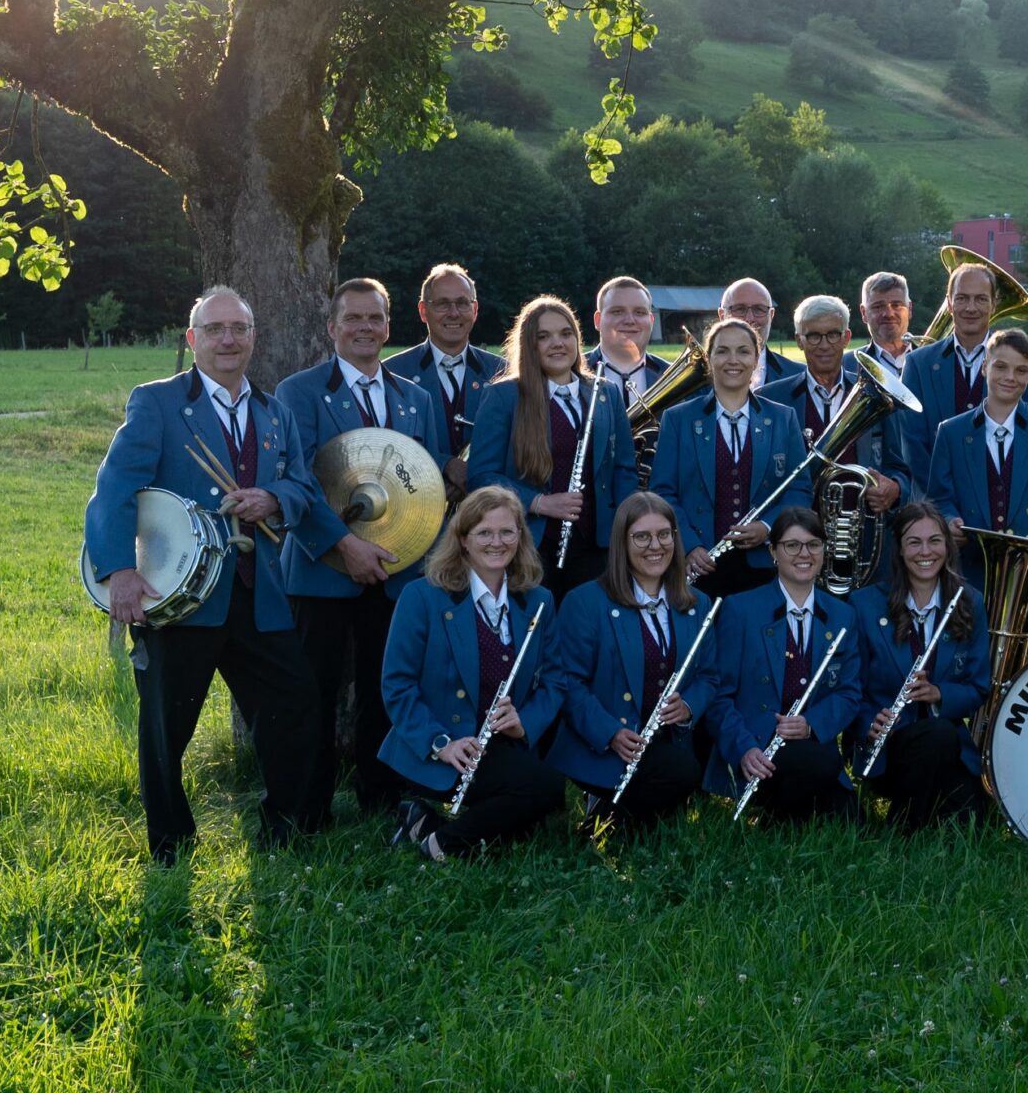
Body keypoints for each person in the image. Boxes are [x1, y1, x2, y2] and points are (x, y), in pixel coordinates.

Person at [83, 286, 320, 863]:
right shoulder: (157, 403)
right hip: (178, 595)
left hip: (258, 592)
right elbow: (114, 489)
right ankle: (170, 843)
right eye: (214, 329)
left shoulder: (273, 410)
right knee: (166, 728)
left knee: (295, 704)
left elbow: (303, 486)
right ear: (192, 340)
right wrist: (119, 572)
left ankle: (289, 826)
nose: (228, 340)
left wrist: (273, 497)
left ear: (253, 338)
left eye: (239, 328)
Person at [275, 277, 443, 828]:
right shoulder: (297, 393)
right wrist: (345, 546)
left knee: (385, 687)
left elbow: (429, 482)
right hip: (321, 569)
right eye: (353, 318)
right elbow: (298, 480)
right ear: (332, 327)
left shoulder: (416, 398)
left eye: (374, 318)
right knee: (313, 695)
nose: (364, 328)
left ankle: (382, 798)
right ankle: (306, 809)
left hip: (395, 571)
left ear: (389, 326)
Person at [381, 486, 565, 862]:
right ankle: (441, 846)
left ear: (520, 537)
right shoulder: (422, 596)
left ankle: (429, 828)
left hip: (503, 747)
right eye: (484, 533)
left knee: (538, 805)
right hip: (442, 752)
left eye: (507, 532)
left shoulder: (539, 600)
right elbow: (397, 685)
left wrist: (524, 722)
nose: (496, 542)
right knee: (543, 791)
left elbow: (555, 681)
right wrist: (442, 743)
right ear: (463, 539)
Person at [543, 491, 714, 830]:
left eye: (664, 535)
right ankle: (604, 816)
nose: (656, 546)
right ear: (622, 543)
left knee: (680, 776)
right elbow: (567, 682)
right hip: (605, 744)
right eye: (642, 537)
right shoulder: (585, 601)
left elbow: (710, 675)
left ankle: (605, 820)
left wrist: (689, 706)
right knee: (678, 777)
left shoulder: (697, 603)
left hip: (666, 742)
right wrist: (610, 733)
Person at [465, 295, 640, 594]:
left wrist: (626, 531)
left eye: (565, 333)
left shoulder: (606, 393)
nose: (557, 343)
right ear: (529, 345)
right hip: (530, 546)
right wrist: (539, 503)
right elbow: (481, 476)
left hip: (597, 547)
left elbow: (623, 469)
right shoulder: (504, 397)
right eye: (543, 336)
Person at [705, 506, 864, 824]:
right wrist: (744, 749)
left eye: (813, 544)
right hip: (757, 752)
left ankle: (777, 816)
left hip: (812, 746)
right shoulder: (739, 610)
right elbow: (718, 695)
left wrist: (810, 724)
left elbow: (849, 693)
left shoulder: (843, 615)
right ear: (773, 552)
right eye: (792, 545)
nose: (804, 554)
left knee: (852, 822)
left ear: (824, 550)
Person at [925, 327, 1028, 625]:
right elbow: (940, 497)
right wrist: (950, 519)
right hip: (972, 574)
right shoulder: (951, 432)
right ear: (984, 367)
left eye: (1021, 370)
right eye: (1000, 367)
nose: (1010, 377)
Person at [847, 502, 993, 831]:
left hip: (949, 746)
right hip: (889, 745)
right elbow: (850, 686)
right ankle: (902, 828)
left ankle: (913, 815)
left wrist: (939, 693)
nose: (925, 551)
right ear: (898, 549)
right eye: (914, 542)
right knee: (937, 736)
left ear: (948, 545)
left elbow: (979, 686)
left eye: (935, 541)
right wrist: (869, 721)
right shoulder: (865, 604)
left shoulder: (970, 602)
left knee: (968, 824)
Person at [648, 317, 814, 597]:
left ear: (756, 359)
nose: (732, 360)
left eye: (743, 351)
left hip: (764, 563)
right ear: (709, 359)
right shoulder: (677, 419)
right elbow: (663, 492)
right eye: (722, 351)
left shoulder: (783, 417)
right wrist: (689, 545)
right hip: (699, 565)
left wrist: (767, 527)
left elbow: (799, 489)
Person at [764, 294, 908, 542]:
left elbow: (900, 468)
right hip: (793, 541)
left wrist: (895, 488)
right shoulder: (771, 398)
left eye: (833, 334)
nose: (824, 344)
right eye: (813, 336)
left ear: (847, 338)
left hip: (865, 538)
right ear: (799, 341)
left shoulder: (878, 395)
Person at [901, 259, 1028, 462]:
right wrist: (939, 491)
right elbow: (912, 443)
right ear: (949, 304)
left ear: (994, 304)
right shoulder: (917, 363)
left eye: (981, 299)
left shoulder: (1024, 357)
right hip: (935, 491)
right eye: (961, 298)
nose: (970, 308)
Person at [386, 263, 502, 497]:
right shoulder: (392, 373)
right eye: (442, 304)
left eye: (462, 303)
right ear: (422, 310)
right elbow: (386, 446)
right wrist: (444, 466)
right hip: (416, 507)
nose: (453, 312)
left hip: (486, 511)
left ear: (475, 309)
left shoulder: (502, 372)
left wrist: (473, 479)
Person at [585, 276, 670, 413]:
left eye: (639, 312)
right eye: (617, 311)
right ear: (598, 320)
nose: (629, 320)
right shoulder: (572, 373)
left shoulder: (670, 375)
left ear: (651, 321)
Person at [719, 278, 796, 388]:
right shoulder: (695, 381)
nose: (750, 319)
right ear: (722, 315)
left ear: (771, 315)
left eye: (759, 309)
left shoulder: (799, 376)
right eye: (740, 309)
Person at [856, 271, 915, 378]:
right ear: (864, 313)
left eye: (896, 305)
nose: (889, 314)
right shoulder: (846, 365)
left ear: (909, 309)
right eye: (878, 307)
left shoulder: (936, 357)